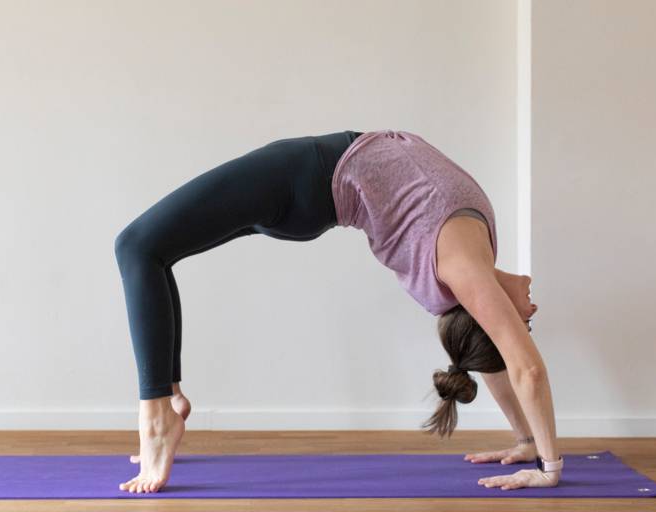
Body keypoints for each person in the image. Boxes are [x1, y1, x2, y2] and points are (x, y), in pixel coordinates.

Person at [114, 129, 558, 494]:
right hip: (310, 189)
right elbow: (500, 361)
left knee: (136, 246)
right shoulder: (474, 255)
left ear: (490, 314)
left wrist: (549, 467)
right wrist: (524, 441)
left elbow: (526, 370)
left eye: (526, 321)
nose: (532, 308)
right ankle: (168, 396)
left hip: (303, 176)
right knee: (155, 252)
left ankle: (155, 418)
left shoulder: (464, 266)